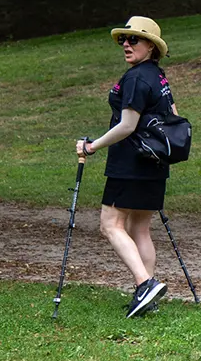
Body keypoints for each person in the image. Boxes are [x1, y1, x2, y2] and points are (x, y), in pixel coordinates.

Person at [75, 16, 177, 318]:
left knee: (110, 224)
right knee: (138, 228)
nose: (126, 45)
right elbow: (173, 115)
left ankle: (145, 284)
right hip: (155, 162)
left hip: (131, 163)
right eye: (124, 40)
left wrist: (92, 146)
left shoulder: (135, 78)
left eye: (134, 39)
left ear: (151, 46)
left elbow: (127, 125)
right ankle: (146, 297)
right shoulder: (158, 76)